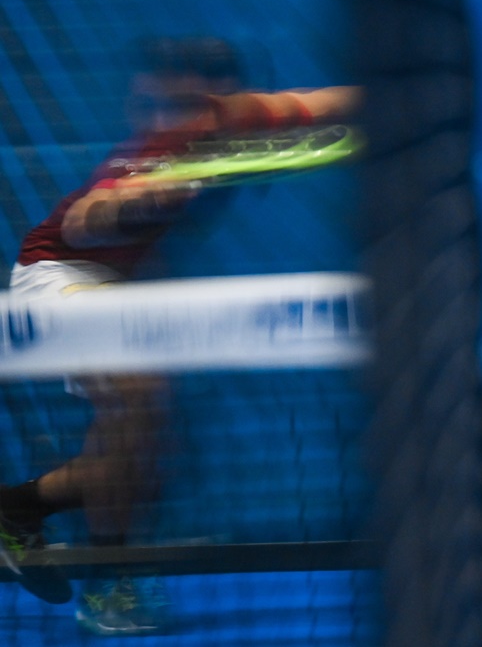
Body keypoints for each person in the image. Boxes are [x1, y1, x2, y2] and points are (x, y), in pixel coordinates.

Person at [0, 36, 359, 634]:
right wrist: (130, 207)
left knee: (142, 446)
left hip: (118, 289)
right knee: (141, 395)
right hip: (57, 277)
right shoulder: (162, 153)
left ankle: (19, 507)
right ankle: (108, 587)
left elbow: (325, 103)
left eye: (212, 81)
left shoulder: (239, 117)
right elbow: (81, 222)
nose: (196, 96)